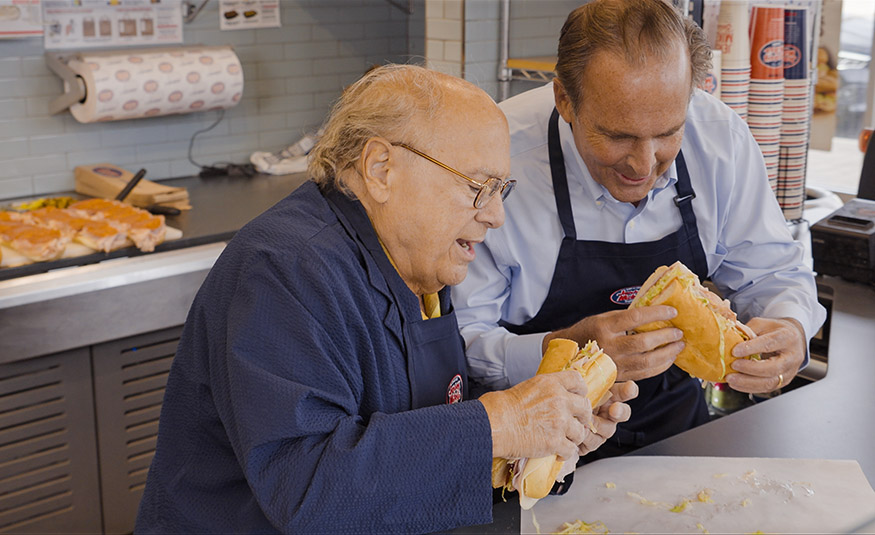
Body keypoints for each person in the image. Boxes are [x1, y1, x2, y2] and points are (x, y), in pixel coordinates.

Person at [134, 65, 637, 533]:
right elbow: (306, 487)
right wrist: (501, 423)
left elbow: (419, 443)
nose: (495, 216)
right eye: (478, 187)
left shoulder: (420, 267)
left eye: (500, 189)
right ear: (380, 168)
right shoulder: (285, 270)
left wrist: (531, 451)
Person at [453, 0, 826, 461]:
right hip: (532, 439)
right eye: (618, 136)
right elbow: (458, 341)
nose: (643, 165)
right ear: (565, 99)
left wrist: (790, 327)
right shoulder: (497, 159)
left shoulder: (721, 139)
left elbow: (774, 274)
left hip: (675, 422)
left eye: (668, 132)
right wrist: (567, 348)